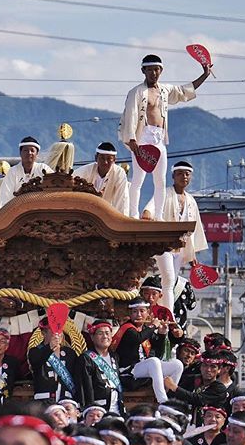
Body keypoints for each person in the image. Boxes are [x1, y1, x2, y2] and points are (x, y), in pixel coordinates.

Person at [119, 54, 211, 220]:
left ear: (161, 70)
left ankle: (159, 216)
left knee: (160, 180)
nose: (153, 73)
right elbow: (131, 115)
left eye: (156, 69)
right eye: (150, 70)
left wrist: (204, 75)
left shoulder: (164, 90)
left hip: (159, 138)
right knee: (138, 179)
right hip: (142, 137)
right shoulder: (137, 92)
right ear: (143, 71)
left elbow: (184, 92)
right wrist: (131, 138)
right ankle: (132, 214)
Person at [144, 161, 208, 311]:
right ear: (173, 176)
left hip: (180, 248)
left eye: (187, 174)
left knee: (170, 282)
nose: (184, 177)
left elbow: (195, 227)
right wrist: (147, 214)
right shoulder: (164, 193)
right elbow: (149, 209)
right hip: (164, 245)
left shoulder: (191, 200)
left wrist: (192, 254)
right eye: (180, 173)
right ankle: (169, 315)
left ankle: (162, 310)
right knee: (169, 279)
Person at [112, 298, 183, 402]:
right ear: (130, 314)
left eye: (142, 311)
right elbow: (138, 338)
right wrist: (153, 325)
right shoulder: (128, 329)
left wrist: (162, 334)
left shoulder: (145, 330)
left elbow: (157, 353)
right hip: (128, 371)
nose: (139, 315)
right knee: (153, 362)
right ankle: (163, 401)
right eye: (135, 312)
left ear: (148, 312)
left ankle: (170, 396)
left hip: (144, 368)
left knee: (177, 365)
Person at [28, 316, 82, 405]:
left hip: (66, 400)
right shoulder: (35, 351)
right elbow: (35, 362)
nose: (57, 334)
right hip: (43, 401)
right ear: (43, 333)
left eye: (59, 331)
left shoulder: (70, 353)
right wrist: (50, 347)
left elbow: (77, 378)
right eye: (53, 331)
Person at [169, 350, 228, 425]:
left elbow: (199, 399)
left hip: (207, 427)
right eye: (205, 365)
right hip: (184, 423)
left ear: (219, 370)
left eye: (213, 367)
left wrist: (175, 388)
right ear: (200, 367)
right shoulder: (190, 380)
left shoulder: (220, 388)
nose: (208, 370)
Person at [81, 320, 125, 414]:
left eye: (107, 333)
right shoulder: (86, 358)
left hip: (117, 408)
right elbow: (86, 386)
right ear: (92, 337)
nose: (105, 336)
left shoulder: (114, 356)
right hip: (99, 410)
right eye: (100, 333)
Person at [73, 142, 129, 214]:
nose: (105, 162)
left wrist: (121, 222)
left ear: (114, 160)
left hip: (107, 214)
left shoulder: (119, 173)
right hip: (85, 212)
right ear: (96, 158)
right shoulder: (84, 171)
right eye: (102, 158)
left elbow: (122, 200)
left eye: (109, 159)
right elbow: (71, 185)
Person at [0, 137, 50, 208]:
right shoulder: (12, 172)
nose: (29, 153)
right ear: (20, 153)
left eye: (32, 150)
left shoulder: (43, 169)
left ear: (37, 154)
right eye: (25, 150)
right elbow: (5, 198)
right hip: (17, 213)